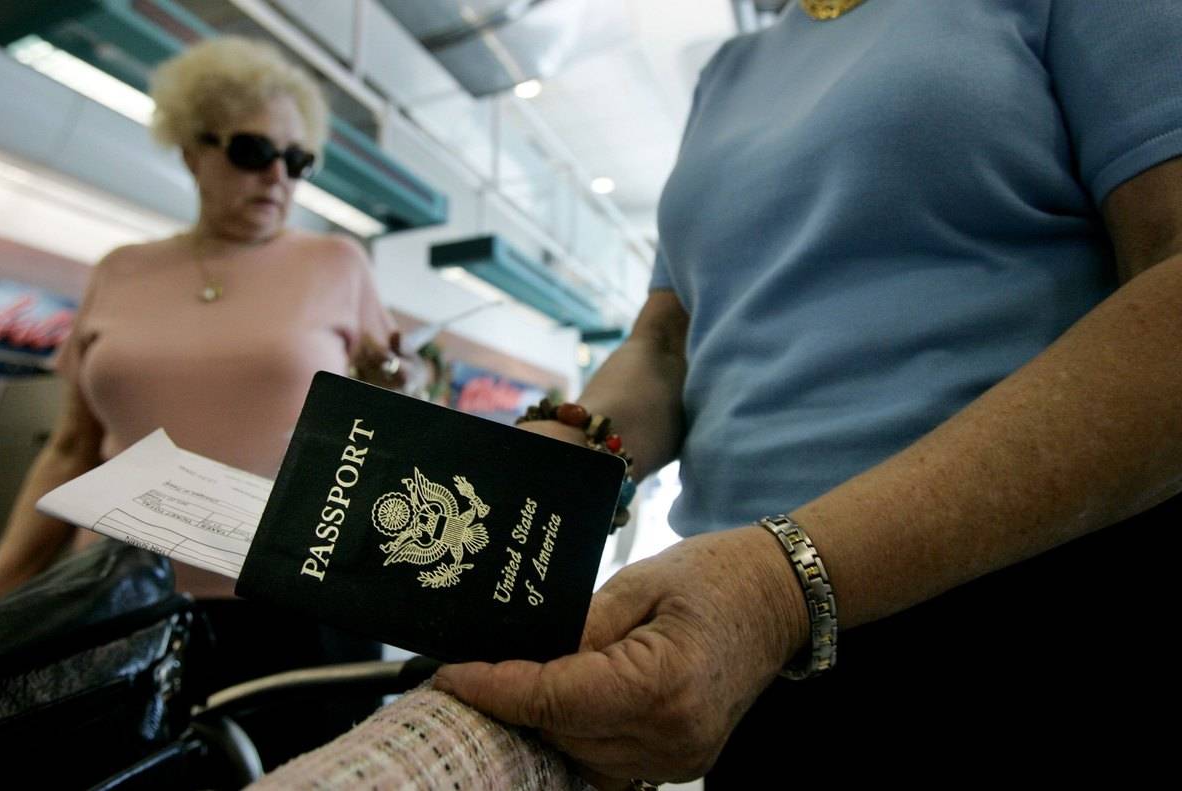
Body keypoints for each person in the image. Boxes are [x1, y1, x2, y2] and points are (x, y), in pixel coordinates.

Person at [432, 0, 1182, 786]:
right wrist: (564, 450)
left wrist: (780, 584)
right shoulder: (726, 74)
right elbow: (667, 341)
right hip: (750, 654)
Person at [0, 35, 420, 764]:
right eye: (253, 152)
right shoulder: (119, 271)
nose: (279, 176)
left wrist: (396, 385)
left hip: (295, 604)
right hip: (121, 602)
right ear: (191, 149)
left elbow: (389, 409)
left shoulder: (336, 263)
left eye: (298, 159)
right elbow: (70, 449)